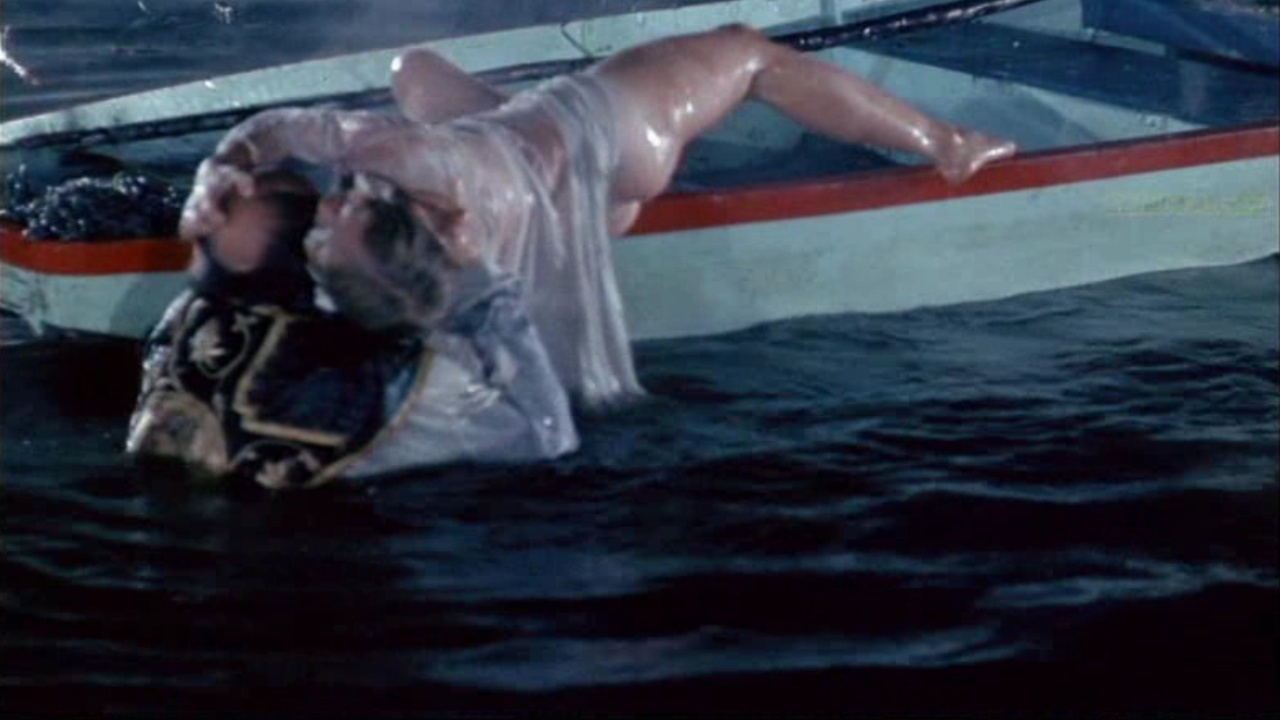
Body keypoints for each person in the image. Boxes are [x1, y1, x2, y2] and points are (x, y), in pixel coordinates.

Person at [129, 25, 1015, 489]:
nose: (328, 201)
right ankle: (951, 144)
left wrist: (220, 171)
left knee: (414, 71)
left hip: (550, 212)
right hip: (604, 142)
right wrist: (229, 161)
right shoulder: (401, 156)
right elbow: (286, 127)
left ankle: (521, 127)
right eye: (337, 210)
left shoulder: (418, 276)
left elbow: (283, 149)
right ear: (408, 217)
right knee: (749, 55)